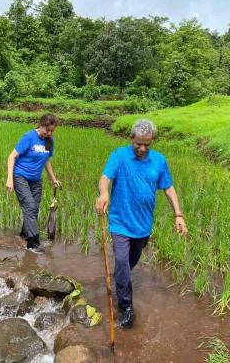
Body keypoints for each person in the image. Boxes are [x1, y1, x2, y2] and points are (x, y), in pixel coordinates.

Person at [95, 118, 187, 329]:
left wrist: (178, 214)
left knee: (128, 265)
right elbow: (105, 177)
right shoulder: (119, 155)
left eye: (147, 144)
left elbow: (168, 188)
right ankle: (126, 306)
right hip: (120, 222)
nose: (142, 148)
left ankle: (120, 281)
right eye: (138, 144)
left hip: (143, 224)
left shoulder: (159, 161)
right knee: (121, 262)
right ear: (131, 139)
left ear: (152, 141)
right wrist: (103, 193)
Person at [6, 114, 61, 253]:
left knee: (34, 209)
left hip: (36, 179)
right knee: (30, 207)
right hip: (21, 176)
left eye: (52, 131)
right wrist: (9, 179)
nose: (49, 133)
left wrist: (53, 179)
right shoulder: (29, 137)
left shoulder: (50, 141)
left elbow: (46, 160)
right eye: (47, 130)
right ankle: (33, 243)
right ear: (41, 125)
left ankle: (24, 235)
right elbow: (12, 156)